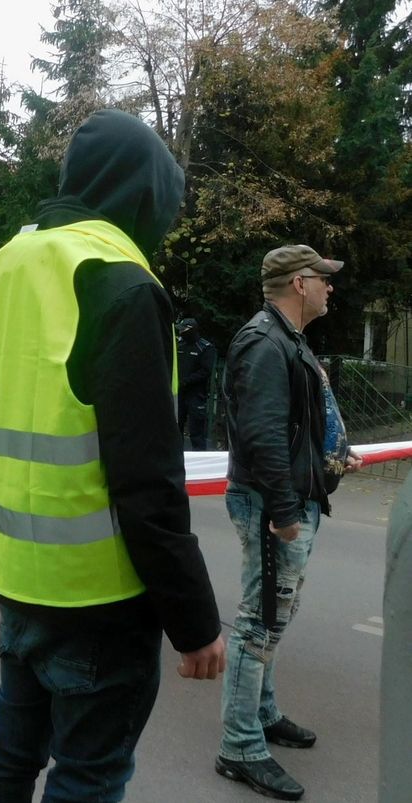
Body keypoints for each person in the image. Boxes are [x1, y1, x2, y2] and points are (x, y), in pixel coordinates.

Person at [0, 109, 225, 802]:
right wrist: (195, 623)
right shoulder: (120, 282)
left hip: (16, 576)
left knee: (9, 751)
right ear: (143, 195)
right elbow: (147, 481)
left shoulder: (0, 266)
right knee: (89, 776)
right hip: (100, 599)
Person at [216, 244, 362, 800]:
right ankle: (240, 745)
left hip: (291, 497)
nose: (331, 287)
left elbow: (292, 428)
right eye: (325, 278)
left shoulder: (286, 338)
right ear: (300, 283)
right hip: (271, 504)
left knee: (276, 615)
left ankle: (263, 712)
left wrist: (329, 459)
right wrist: (281, 511)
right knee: (260, 620)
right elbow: (261, 435)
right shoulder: (262, 342)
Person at [176, 317, 217, 450]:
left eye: (184, 330)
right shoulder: (179, 345)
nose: (181, 333)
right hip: (179, 393)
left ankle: (199, 461)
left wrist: (187, 381)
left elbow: (206, 371)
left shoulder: (205, 347)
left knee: (196, 433)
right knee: (176, 429)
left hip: (196, 395)